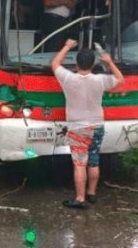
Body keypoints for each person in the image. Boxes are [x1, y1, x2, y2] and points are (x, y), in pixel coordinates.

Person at [50, 39, 125, 209]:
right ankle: (91, 193)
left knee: (79, 164)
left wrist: (67, 46)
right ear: (93, 64)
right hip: (97, 126)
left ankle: (80, 198)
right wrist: (109, 61)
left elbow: (54, 63)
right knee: (94, 160)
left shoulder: (68, 78)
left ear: (76, 63)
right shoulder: (100, 80)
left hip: (78, 129)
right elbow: (120, 79)